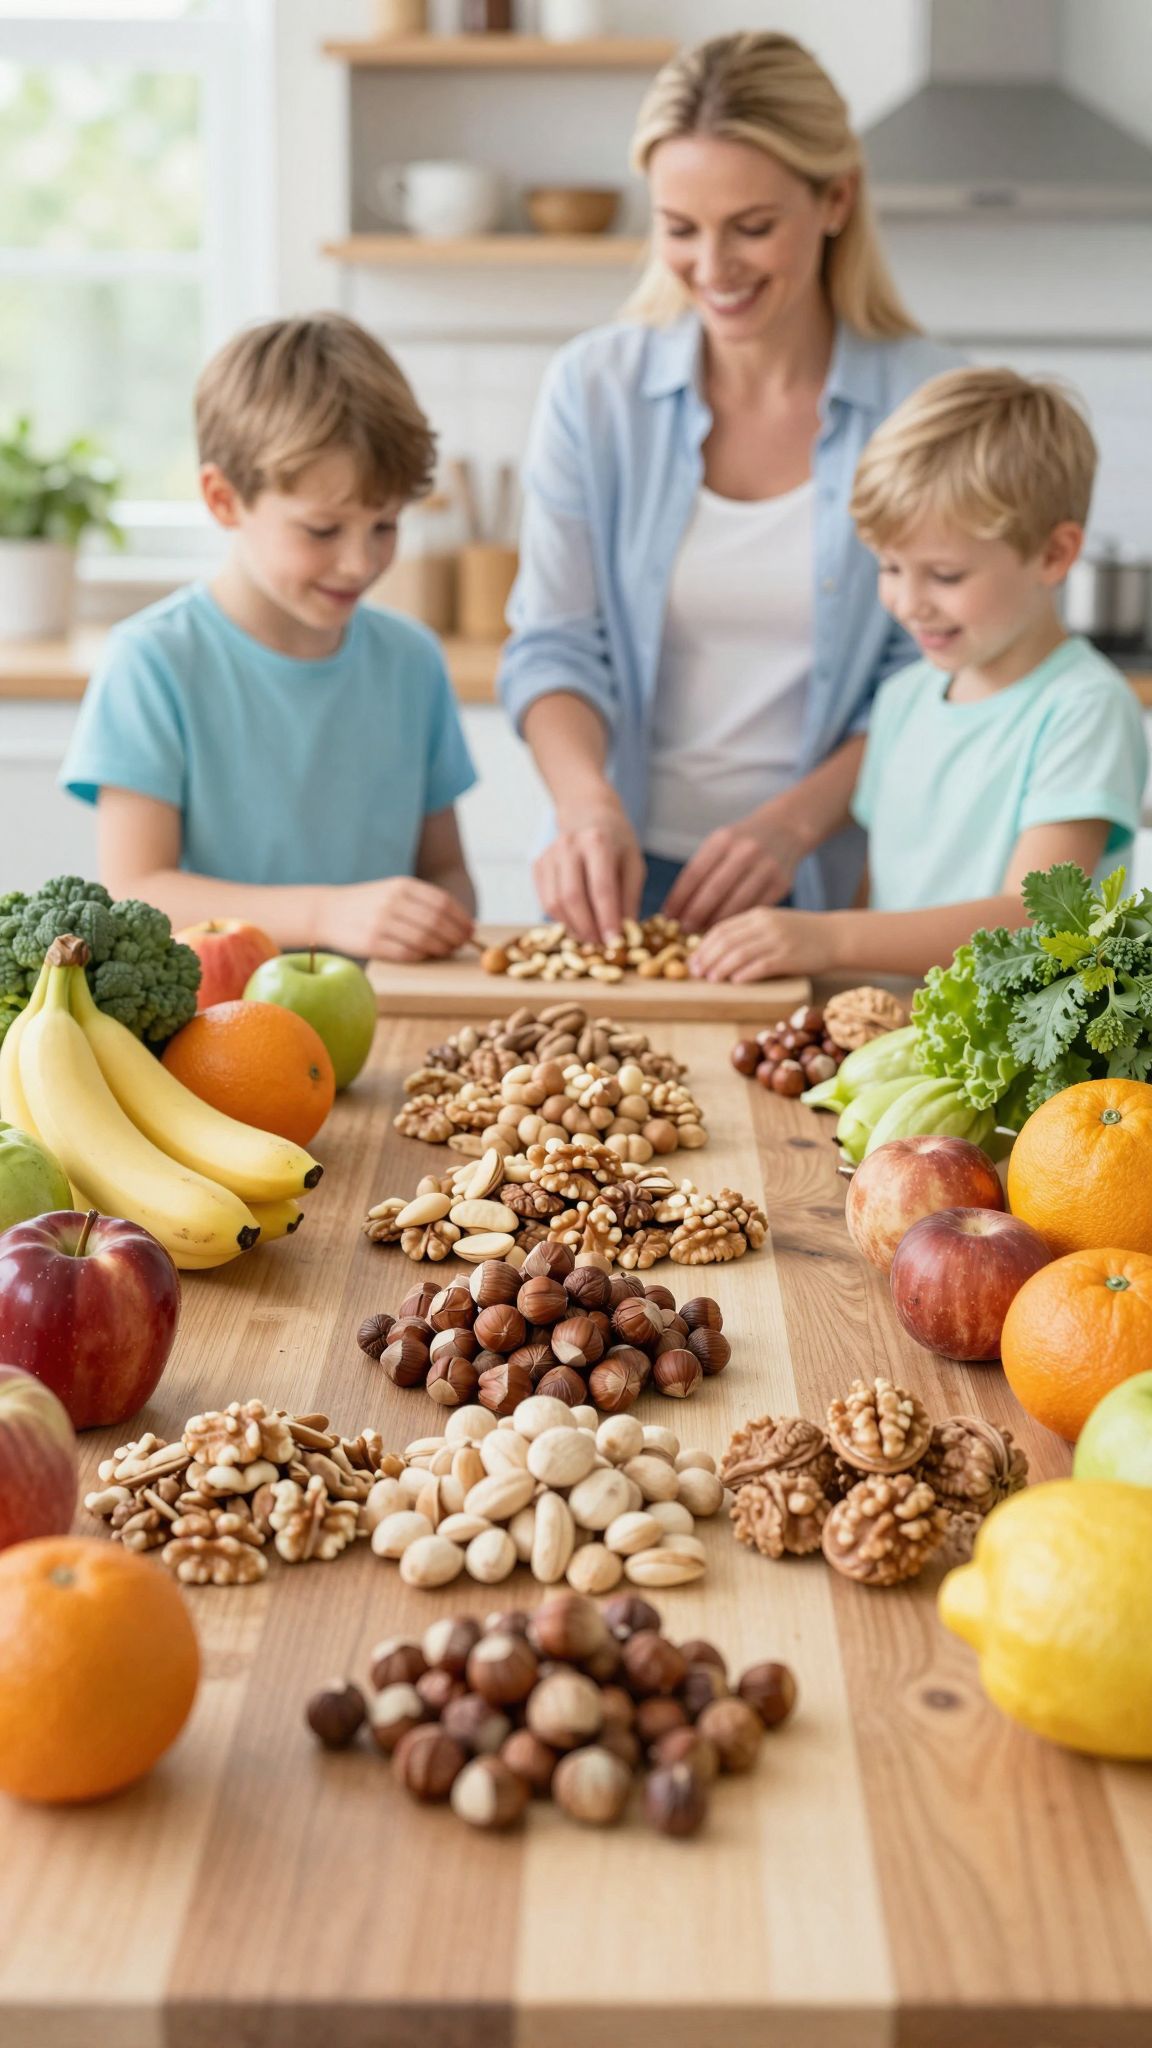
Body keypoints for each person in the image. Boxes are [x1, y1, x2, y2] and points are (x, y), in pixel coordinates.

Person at [498, 30, 963, 945]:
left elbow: (938, 678)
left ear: (835, 199)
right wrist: (586, 803)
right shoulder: (595, 391)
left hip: (837, 887)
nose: (713, 268)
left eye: (752, 227)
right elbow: (553, 646)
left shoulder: (927, 404)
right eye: (679, 229)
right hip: (619, 873)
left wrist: (792, 825)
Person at [689, 367, 1149, 983]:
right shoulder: (904, 698)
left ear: (1053, 555)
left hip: (1021, 1073)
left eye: (946, 575)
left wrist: (828, 938)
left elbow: (1038, 925)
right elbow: (879, 890)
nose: (909, 602)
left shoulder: (1084, 708)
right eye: (889, 567)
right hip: (899, 1044)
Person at [61, 314, 477, 963]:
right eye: (322, 530)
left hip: (382, 1030)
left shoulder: (412, 662)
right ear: (224, 499)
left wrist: (437, 917)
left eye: (385, 525)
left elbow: (447, 872)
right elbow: (135, 891)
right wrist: (325, 914)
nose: (360, 562)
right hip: (206, 1045)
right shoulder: (154, 662)